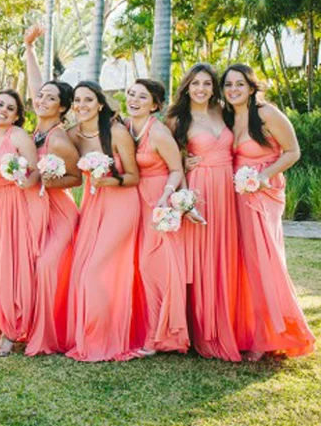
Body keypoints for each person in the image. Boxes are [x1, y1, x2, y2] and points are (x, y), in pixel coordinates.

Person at [222, 64, 315, 360]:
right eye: (228, 85)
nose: (233, 89)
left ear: (251, 87)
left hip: (261, 193)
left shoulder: (266, 114)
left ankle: (270, 335)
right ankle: (245, 329)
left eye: (239, 84)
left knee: (263, 260)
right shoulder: (225, 117)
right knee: (240, 264)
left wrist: (263, 176)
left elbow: (292, 151)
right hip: (232, 195)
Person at [166, 64, 241, 361]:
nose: (201, 89)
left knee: (223, 255)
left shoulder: (223, 111)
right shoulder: (176, 118)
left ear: (214, 88)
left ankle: (226, 323)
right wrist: (183, 174)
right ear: (186, 86)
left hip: (227, 189)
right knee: (199, 258)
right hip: (199, 189)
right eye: (195, 83)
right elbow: (170, 159)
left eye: (207, 83)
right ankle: (199, 331)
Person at [65, 81, 142, 362]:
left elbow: (134, 176)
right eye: (77, 100)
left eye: (88, 100)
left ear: (99, 104)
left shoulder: (117, 132)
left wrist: (108, 179)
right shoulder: (72, 135)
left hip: (121, 203)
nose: (81, 105)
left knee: (94, 271)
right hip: (93, 204)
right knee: (81, 269)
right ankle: (88, 335)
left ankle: (105, 339)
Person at [22, 25, 81, 356]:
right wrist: (29, 48)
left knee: (47, 267)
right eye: (40, 96)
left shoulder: (58, 137)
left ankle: (49, 337)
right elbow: (36, 82)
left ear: (61, 107)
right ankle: (32, 328)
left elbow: (76, 178)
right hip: (36, 210)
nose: (42, 99)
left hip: (60, 211)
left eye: (50, 98)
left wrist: (46, 181)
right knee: (33, 266)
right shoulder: (36, 131)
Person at [0, 88, 48, 357]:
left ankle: (11, 332)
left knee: (12, 266)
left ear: (17, 115)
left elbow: (34, 173)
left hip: (19, 205)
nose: (3, 110)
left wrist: (19, 177)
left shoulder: (17, 135)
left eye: (10, 108)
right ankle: (0, 324)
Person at [126, 79, 189, 356]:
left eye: (142, 97)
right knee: (137, 269)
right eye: (131, 94)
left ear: (154, 105)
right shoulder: (125, 128)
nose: (134, 100)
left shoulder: (159, 132)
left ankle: (160, 336)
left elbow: (177, 169)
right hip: (133, 203)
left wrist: (165, 195)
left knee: (154, 268)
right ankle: (141, 329)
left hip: (158, 203)